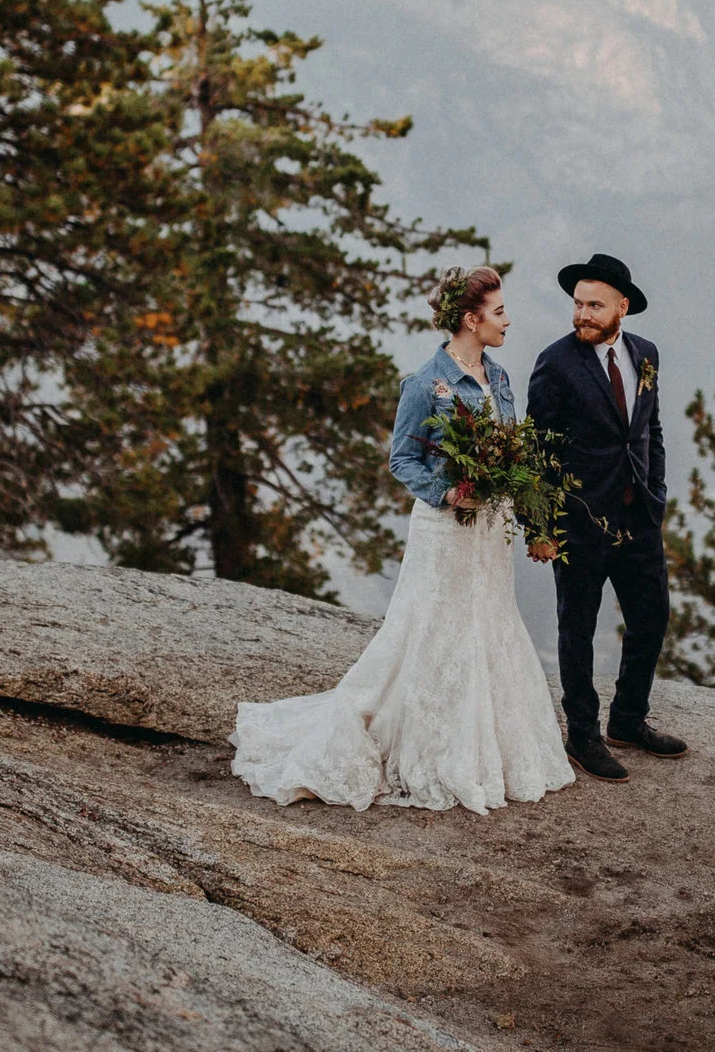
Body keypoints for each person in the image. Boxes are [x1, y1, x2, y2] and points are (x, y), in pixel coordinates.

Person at [228, 266, 575, 813]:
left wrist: (532, 517)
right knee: (436, 630)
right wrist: (449, 491)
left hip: (488, 536)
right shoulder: (424, 384)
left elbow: (514, 457)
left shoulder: (501, 379)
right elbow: (402, 459)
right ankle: (432, 746)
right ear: (471, 319)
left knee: (489, 623)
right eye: (500, 311)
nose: (508, 320)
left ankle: (495, 748)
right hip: (446, 531)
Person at [525, 252, 690, 782]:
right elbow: (536, 451)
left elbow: (650, 430)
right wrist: (541, 527)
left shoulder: (646, 355)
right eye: (578, 304)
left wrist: (656, 493)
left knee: (652, 617)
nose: (583, 315)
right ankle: (583, 735)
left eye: (595, 305)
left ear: (623, 307)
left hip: (638, 516)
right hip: (579, 520)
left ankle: (627, 720)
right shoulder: (556, 363)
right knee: (578, 627)